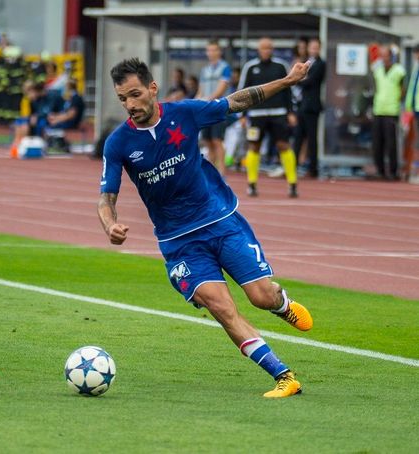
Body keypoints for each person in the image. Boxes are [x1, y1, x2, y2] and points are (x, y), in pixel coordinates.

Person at [98, 57, 313, 398]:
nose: (129, 104)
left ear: (152, 89)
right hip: (178, 242)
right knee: (222, 308)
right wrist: (110, 225)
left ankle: (280, 303)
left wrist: (286, 82)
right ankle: (284, 376)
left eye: (135, 94)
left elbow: (239, 100)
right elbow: (106, 197)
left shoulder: (185, 114)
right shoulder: (118, 143)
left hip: (220, 221)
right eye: (122, 98)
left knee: (260, 297)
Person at [238, 37, 299, 197]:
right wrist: (243, 114)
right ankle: (252, 184)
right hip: (256, 115)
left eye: (269, 48)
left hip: (278, 113)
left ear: (272, 49)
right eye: (263, 48)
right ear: (258, 49)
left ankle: (292, 184)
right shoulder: (250, 67)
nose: (266, 51)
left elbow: (288, 89)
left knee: (283, 146)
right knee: (254, 147)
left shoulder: (280, 66)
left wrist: (290, 112)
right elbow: (242, 92)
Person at [197, 40, 232, 175]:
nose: (211, 53)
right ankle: (211, 172)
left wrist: (206, 100)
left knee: (217, 140)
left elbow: (221, 90)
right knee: (207, 141)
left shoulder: (225, 67)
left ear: (219, 51)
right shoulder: (204, 70)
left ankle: (222, 172)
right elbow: (201, 90)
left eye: (214, 50)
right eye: (209, 50)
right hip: (206, 110)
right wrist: (196, 102)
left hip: (217, 108)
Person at [292, 38, 326, 178]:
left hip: (312, 107)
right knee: (298, 137)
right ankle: (292, 167)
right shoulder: (305, 62)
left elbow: (310, 81)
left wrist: (296, 80)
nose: (313, 50)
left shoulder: (321, 64)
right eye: (311, 47)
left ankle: (313, 168)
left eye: (316, 47)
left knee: (312, 138)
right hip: (302, 106)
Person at [372, 45, 406, 180]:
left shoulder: (399, 71)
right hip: (378, 109)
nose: (384, 57)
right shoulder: (378, 70)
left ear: (391, 55)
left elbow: (403, 89)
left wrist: (399, 102)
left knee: (391, 144)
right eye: (382, 55)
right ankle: (380, 170)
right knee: (377, 143)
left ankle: (393, 171)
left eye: (386, 55)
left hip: (392, 111)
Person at [406, 44, 419, 151]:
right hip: (416, 108)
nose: (415, 57)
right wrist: (409, 107)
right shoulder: (416, 68)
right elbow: (412, 88)